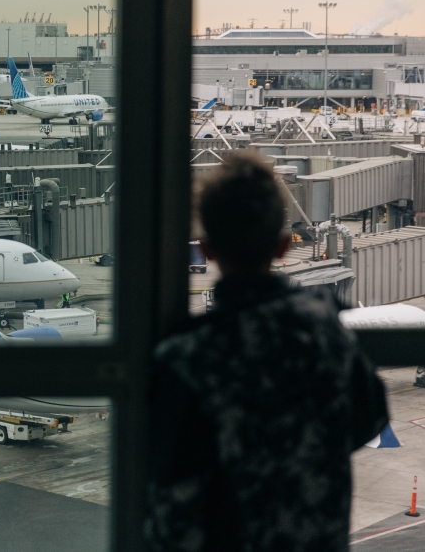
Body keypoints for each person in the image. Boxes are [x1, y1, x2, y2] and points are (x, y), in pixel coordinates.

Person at [145, 152, 388, 552]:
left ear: (206, 249)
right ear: (281, 246)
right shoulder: (323, 332)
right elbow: (370, 417)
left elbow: (172, 501)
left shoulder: (189, 356)